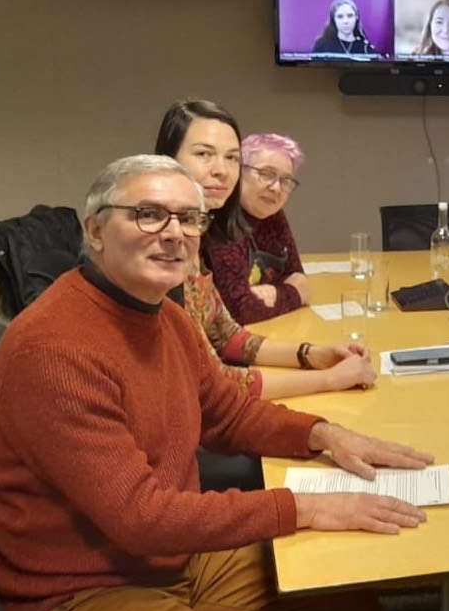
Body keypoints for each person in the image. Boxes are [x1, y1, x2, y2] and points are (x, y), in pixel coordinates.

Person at [0, 154, 433, 611]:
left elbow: (227, 415)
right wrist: (303, 507)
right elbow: (141, 517)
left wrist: (324, 434)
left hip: (168, 562)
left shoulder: (166, 316)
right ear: (95, 231)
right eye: (149, 214)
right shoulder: (55, 349)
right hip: (75, 593)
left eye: (189, 219)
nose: (174, 233)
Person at [156, 100, 376, 398]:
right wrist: (329, 380)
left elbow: (226, 334)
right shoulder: (160, 247)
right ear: (168, 159)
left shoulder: (198, 232)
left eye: (231, 157)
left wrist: (311, 355)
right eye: (204, 154)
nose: (221, 170)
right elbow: (208, 383)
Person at [207, 132, 309, 324]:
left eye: (285, 180)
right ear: (239, 172)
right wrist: (293, 293)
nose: (276, 188)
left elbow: (296, 275)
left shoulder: (274, 213)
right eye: (266, 174)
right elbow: (239, 309)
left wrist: (275, 293)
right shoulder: (222, 216)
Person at [311, 0, 378, 58]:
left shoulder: (365, 47)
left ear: (356, 17)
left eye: (350, 16)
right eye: (340, 17)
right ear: (334, 20)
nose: (345, 21)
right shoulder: (322, 45)